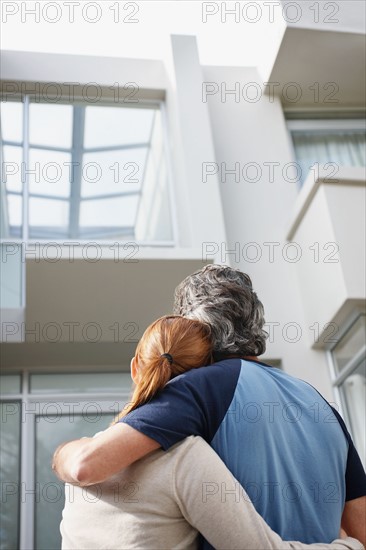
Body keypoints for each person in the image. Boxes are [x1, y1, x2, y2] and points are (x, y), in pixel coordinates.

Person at [53, 265, 366, 546]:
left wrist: (67, 449)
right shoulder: (322, 405)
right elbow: (361, 532)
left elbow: (88, 465)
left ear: (195, 328)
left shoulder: (199, 389)